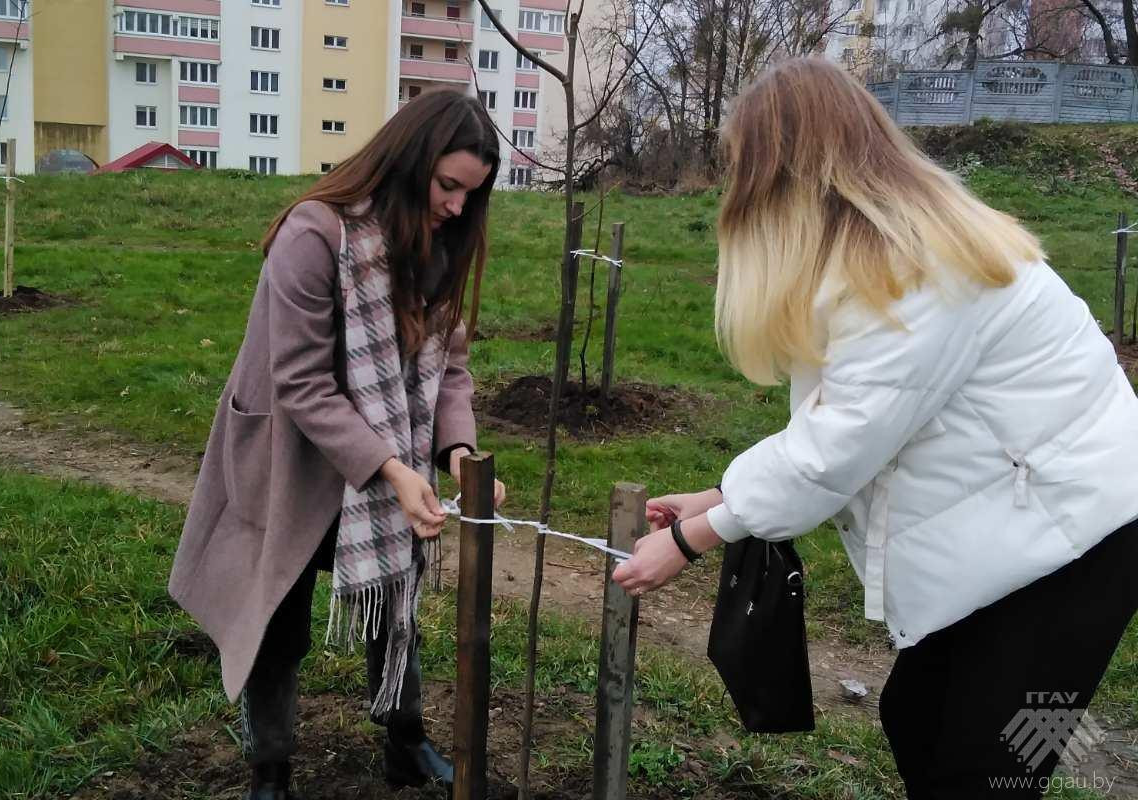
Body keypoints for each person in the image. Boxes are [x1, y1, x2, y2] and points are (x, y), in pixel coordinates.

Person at [613, 58, 1138, 798]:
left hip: (1087, 538)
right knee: (916, 716)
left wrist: (686, 542)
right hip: (1032, 517)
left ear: (784, 175)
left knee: (993, 765)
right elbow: (848, 429)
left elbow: (832, 454)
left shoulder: (921, 271)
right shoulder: (880, 255)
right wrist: (718, 498)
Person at [168, 89, 506, 800]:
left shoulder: (438, 245)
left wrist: (456, 455)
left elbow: (450, 369)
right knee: (276, 611)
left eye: (469, 195)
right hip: (289, 456)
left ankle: (405, 742)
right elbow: (301, 382)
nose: (455, 206)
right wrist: (391, 468)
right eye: (447, 185)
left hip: (382, 456)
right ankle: (271, 768)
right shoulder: (314, 235)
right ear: (411, 162)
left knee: (395, 593)